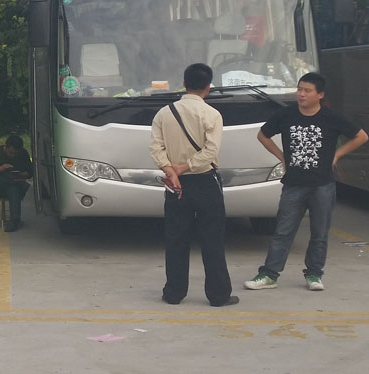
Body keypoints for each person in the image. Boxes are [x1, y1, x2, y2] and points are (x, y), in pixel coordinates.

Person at [243, 73, 368, 292]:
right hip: (293, 184)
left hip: (323, 185)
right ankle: (269, 274)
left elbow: (361, 136)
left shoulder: (331, 117)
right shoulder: (286, 114)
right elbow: (263, 136)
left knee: (319, 233)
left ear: (320, 95)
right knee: (283, 232)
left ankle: (314, 273)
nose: (301, 94)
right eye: (299, 89)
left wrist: (337, 155)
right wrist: (282, 157)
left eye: (307, 90)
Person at [149, 63, 238, 307]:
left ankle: (174, 293)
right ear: (208, 87)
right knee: (212, 239)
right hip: (205, 181)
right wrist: (186, 166)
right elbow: (211, 151)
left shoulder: (164, 113)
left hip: (175, 185)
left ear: (184, 84)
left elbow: (155, 147)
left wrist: (171, 170)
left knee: (176, 238)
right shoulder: (212, 114)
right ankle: (218, 295)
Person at [0, 134, 33, 232]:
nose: (13, 155)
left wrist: (20, 174)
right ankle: (15, 220)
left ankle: (14, 221)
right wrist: (1, 168)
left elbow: (30, 173)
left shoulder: (23, 154)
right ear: (6, 147)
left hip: (15, 183)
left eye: (15, 154)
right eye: (11, 153)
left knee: (13, 189)